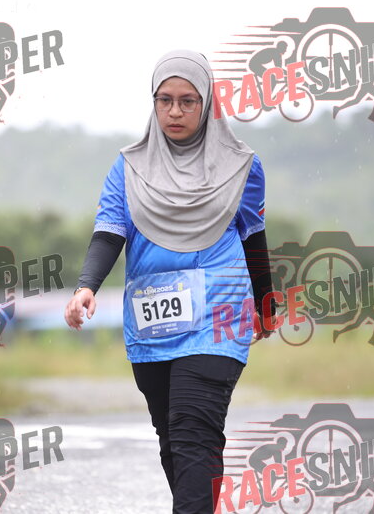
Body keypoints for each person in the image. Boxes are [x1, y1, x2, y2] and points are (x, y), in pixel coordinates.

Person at [64, 50, 276, 513]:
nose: (175, 111)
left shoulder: (241, 166)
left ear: (208, 104)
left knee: (193, 427)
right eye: (165, 100)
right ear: (153, 103)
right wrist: (86, 286)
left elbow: (254, 236)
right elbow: (109, 231)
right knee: (173, 438)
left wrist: (266, 304)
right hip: (152, 320)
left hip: (218, 314)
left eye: (187, 101)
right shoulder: (128, 166)